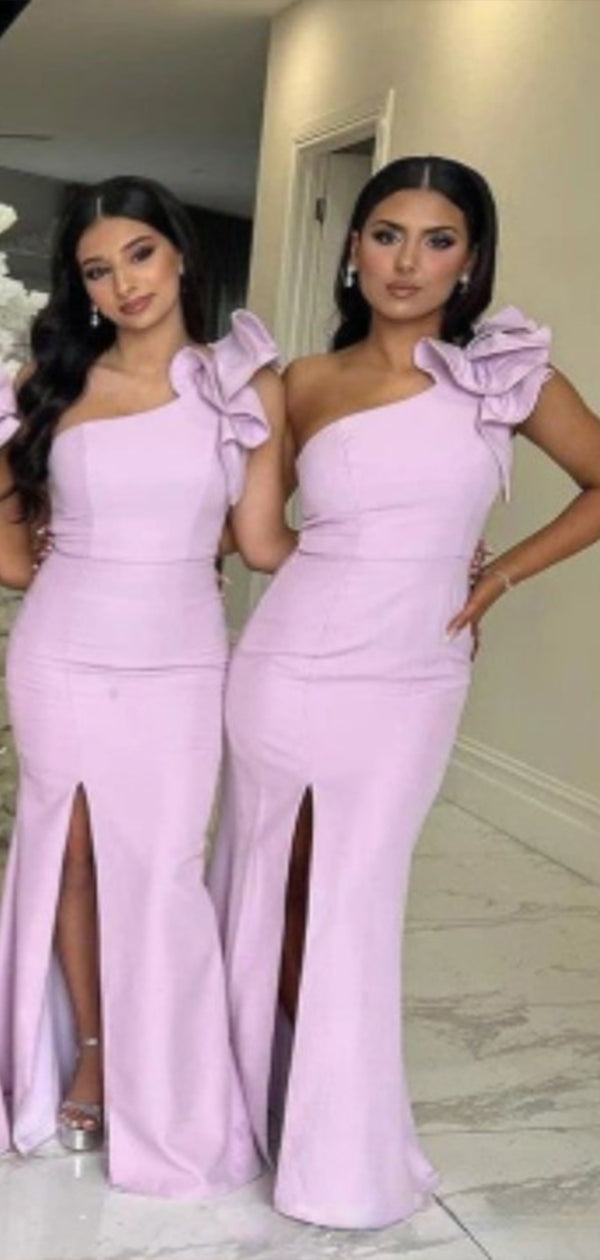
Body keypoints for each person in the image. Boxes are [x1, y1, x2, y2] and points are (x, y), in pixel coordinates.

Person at [209, 155, 600, 1229]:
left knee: (354, 895)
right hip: (287, 664)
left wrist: (501, 574)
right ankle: (260, 1103)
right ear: (353, 248)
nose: (408, 262)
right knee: (273, 882)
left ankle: (338, 1146)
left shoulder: (506, 377)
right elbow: (259, 541)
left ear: (471, 262)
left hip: (413, 676)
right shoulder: (301, 382)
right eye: (387, 234)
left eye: (438, 241)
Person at [0, 175, 294, 1197]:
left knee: (164, 865)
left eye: (139, 255)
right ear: (79, 287)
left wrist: (408, 560)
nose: (123, 283)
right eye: (96, 270)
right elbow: (10, 551)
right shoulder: (50, 384)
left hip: (179, 655)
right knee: (72, 857)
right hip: (62, 648)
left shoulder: (242, 385)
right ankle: (90, 1056)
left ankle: (170, 1083)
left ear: (178, 255)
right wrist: (71, 550)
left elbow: (260, 541)